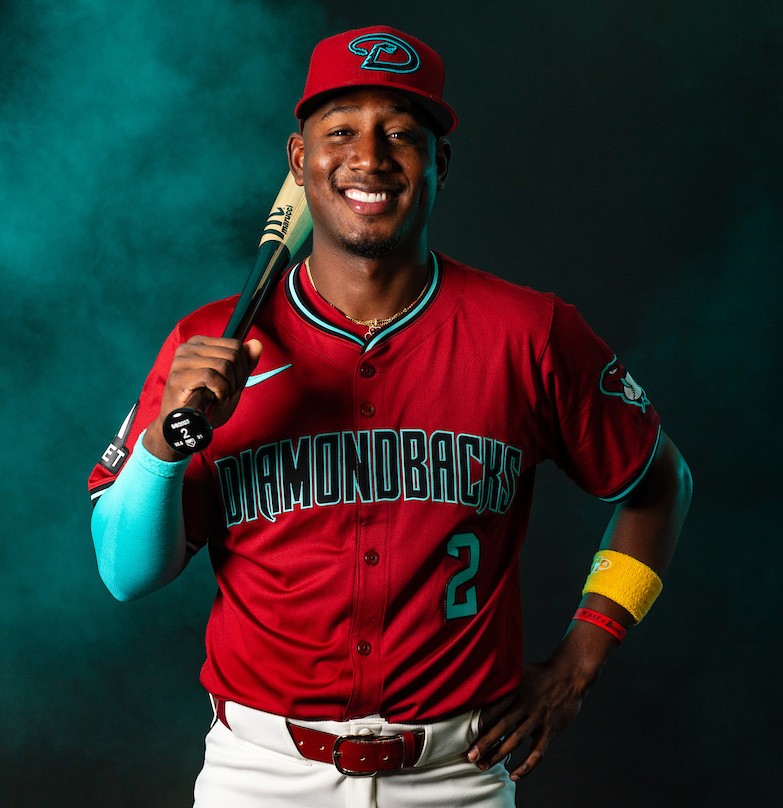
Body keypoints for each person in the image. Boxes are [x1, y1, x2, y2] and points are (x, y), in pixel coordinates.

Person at [88, 25, 692, 808]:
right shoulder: (208, 344)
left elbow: (659, 485)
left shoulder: (529, 334)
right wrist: (165, 446)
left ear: (439, 164)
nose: (369, 157)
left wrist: (582, 656)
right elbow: (125, 575)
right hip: (260, 775)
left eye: (401, 134)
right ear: (299, 159)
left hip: (455, 775)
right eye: (340, 131)